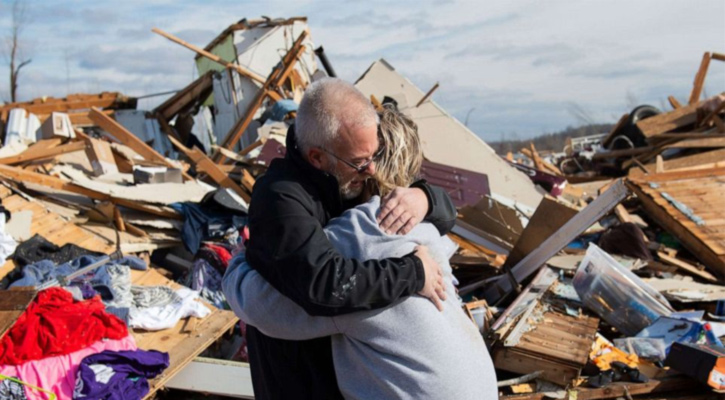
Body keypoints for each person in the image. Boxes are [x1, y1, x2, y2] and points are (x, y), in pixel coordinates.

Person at [224, 106, 497, 399]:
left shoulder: (359, 237)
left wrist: (244, 258)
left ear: (367, 167)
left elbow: (261, 307)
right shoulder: (424, 227)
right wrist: (427, 197)